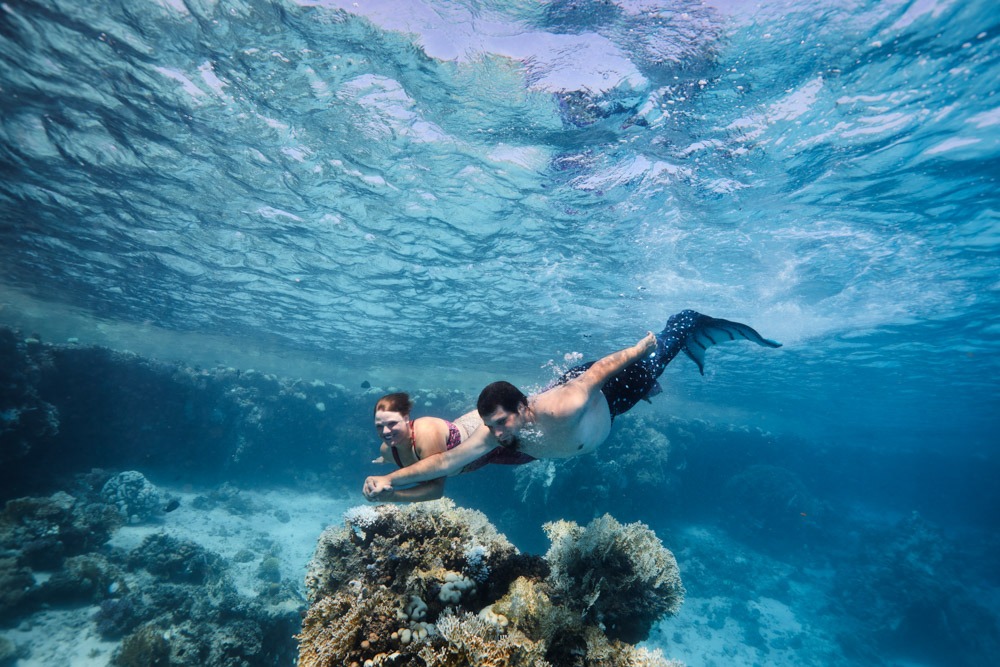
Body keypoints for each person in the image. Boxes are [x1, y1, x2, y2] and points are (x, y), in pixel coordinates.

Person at [363, 309, 780, 501]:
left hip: (608, 392)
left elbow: (595, 374)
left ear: (524, 407)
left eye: (504, 421)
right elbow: (443, 464)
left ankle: (685, 323)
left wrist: (639, 348)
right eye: (494, 425)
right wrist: (390, 482)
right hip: (604, 417)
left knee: (659, 358)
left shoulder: (559, 407)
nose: (501, 432)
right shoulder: (496, 435)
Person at [371, 392, 535, 502]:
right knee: (542, 450)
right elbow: (399, 458)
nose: (386, 431)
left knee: (536, 417)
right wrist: (384, 459)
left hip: (487, 434)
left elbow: (436, 490)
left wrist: (393, 496)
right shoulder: (387, 450)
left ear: (406, 418)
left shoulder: (426, 433)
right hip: (487, 457)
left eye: (392, 423)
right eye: (379, 426)